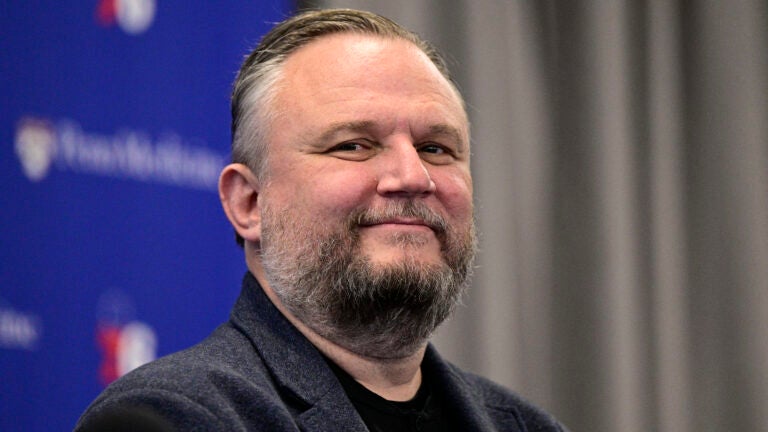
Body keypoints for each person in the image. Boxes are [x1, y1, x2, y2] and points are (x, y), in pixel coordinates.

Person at [76, 8, 567, 432]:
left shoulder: (525, 425)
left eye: (435, 148)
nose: (413, 176)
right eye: (354, 145)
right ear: (248, 203)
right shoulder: (172, 417)